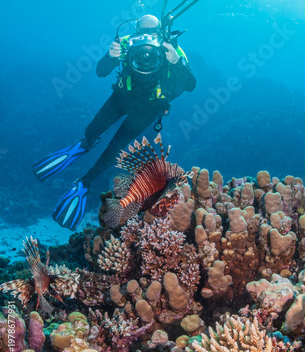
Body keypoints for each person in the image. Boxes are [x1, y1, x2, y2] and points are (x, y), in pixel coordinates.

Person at [33, 14, 196, 230]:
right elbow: (101, 71)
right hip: (121, 98)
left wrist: (176, 62)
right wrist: (110, 57)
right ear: (136, 30)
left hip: (149, 107)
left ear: (161, 31)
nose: (146, 36)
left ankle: (85, 182)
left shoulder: (172, 48)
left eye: (152, 31)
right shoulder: (127, 43)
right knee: (92, 130)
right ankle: (84, 145)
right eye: (142, 30)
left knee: (115, 148)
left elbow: (191, 85)